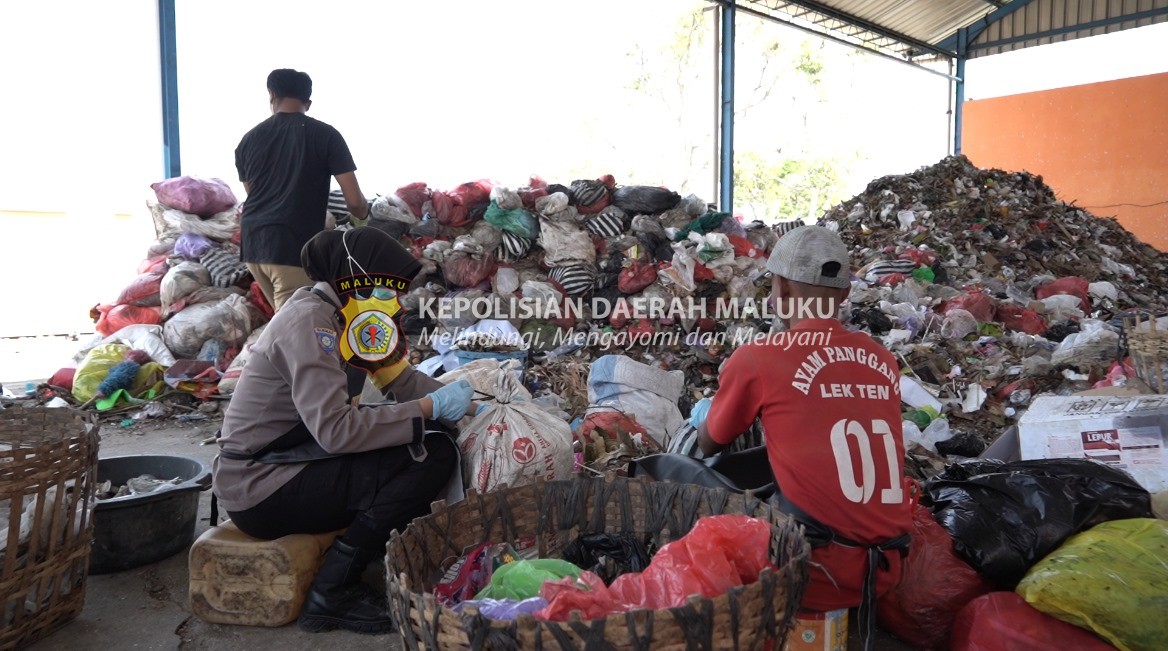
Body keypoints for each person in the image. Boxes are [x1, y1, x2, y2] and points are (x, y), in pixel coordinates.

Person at [213, 228, 479, 635]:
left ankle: (368, 557)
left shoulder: (351, 318)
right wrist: (430, 408)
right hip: (260, 485)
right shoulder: (309, 324)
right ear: (357, 277)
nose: (393, 297)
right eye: (388, 286)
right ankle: (332, 591)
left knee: (434, 437)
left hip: (295, 458)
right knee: (429, 455)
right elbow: (336, 431)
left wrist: (475, 408)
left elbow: (402, 382)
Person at [696, 226, 911, 651]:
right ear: (845, 294)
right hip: (887, 565)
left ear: (781, 290)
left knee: (683, 476)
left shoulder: (760, 357)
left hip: (815, 573)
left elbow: (710, 444)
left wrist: (706, 411)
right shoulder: (882, 358)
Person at [235, 68, 371, 311]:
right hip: (290, 247)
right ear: (308, 102)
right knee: (297, 331)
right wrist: (363, 216)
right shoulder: (325, 135)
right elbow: (354, 202)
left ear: (271, 94)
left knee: (285, 322)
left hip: (254, 245)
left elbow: (253, 193)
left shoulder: (248, 140)